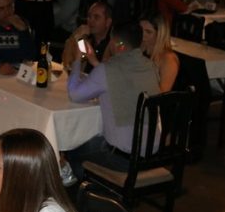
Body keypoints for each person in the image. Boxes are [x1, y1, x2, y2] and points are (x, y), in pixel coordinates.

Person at [67, 21, 160, 179]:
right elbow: (125, 80)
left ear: (117, 44)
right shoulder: (150, 66)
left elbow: (74, 94)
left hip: (123, 159)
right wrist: (95, 62)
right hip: (151, 153)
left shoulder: (106, 70)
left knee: (72, 147)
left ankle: (92, 186)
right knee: (95, 140)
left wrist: (77, 60)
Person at [61, 1, 113, 70]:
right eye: (89, 16)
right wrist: (75, 37)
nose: (91, 20)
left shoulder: (114, 45)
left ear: (108, 22)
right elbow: (68, 64)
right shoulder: (85, 39)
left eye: (96, 17)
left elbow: (112, 73)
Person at [140, 7, 180, 92]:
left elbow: (162, 94)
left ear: (160, 34)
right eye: (140, 30)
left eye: (148, 32)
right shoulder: (139, 48)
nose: (142, 35)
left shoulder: (168, 60)